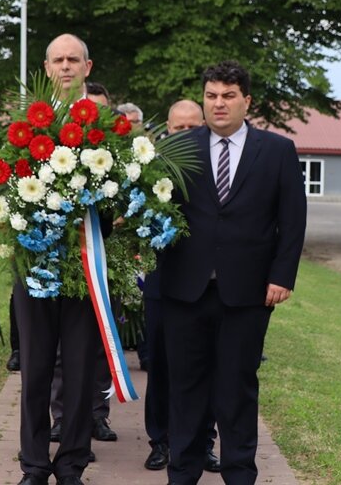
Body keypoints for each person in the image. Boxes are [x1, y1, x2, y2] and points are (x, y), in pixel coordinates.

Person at [159, 60, 307, 485]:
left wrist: (282, 277)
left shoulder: (277, 151)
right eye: (211, 96)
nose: (218, 104)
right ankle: (182, 474)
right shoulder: (178, 150)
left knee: (237, 389)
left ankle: (240, 474)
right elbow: (157, 212)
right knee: (185, 390)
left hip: (248, 292)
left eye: (227, 96)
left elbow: (292, 220)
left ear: (247, 101)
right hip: (184, 289)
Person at [13, 33, 99, 485]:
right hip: (35, 266)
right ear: (46, 68)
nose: (66, 66)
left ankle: (71, 463)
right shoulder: (27, 122)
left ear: (88, 67)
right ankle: (34, 464)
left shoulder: (109, 126)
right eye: (58, 60)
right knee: (36, 369)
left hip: (86, 266)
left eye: (74, 59)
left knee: (81, 371)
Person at [142, 99, 220, 474]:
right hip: (164, 282)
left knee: (207, 366)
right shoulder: (151, 167)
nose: (186, 136)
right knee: (161, 364)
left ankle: (203, 443)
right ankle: (161, 441)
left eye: (194, 129)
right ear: (166, 131)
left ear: (204, 126)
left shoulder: (218, 169)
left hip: (208, 285)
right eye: (178, 129)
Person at [49, 79, 118, 448]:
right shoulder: (65, 144)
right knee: (64, 348)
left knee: (102, 342)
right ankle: (62, 417)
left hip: (106, 257)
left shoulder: (115, 148)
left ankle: (97, 415)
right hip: (66, 259)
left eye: (101, 109)